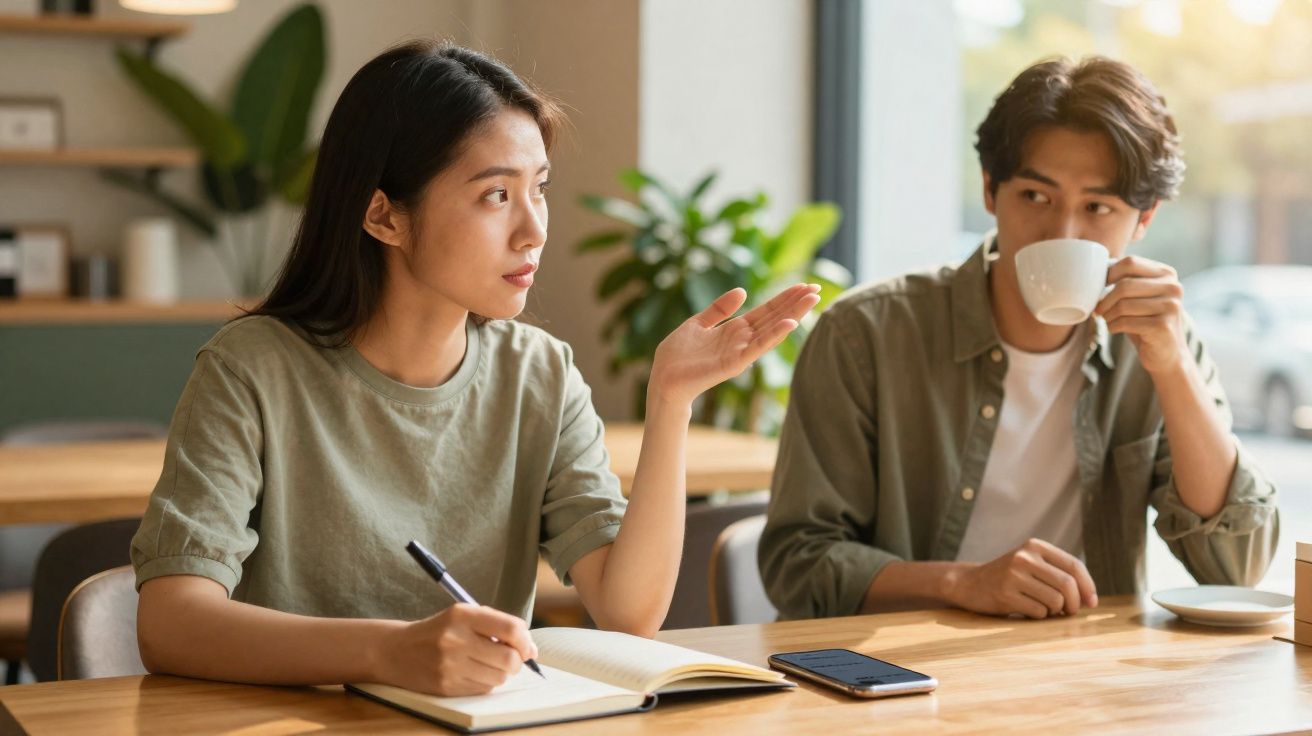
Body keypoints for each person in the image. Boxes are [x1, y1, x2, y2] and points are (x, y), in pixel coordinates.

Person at [131, 40, 819, 696]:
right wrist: (387, 653)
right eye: (496, 195)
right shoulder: (252, 368)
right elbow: (170, 623)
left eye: (539, 189)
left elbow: (627, 612)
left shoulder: (541, 375)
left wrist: (671, 400)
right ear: (384, 216)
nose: (535, 229)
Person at [759, 56, 1278, 621]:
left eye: (1098, 207)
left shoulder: (1156, 343)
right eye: (1035, 196)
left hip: (1074, 673)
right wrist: (962, 584)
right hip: (890, 673)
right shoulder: (866, 335)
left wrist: (1173, 367)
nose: (1063, 231)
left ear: (1144, 219)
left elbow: (1234, 565)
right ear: (990, 190)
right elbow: (798, 563)